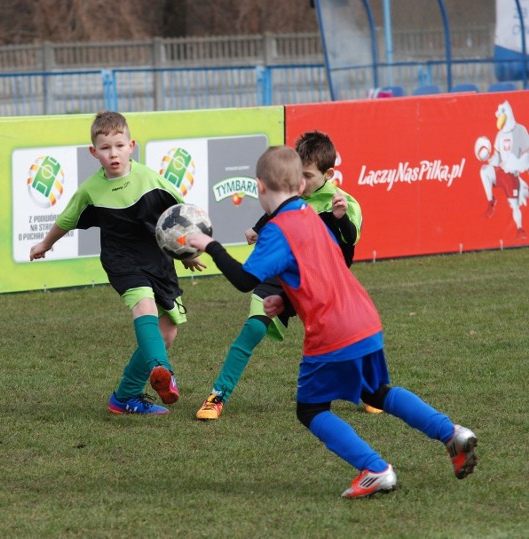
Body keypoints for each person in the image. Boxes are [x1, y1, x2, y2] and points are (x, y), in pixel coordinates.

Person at [188, 146, 478, 498]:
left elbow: (245, 280)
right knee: (377, 392)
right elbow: (325, 267)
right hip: (364, 318)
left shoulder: (278, 229)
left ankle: (375, 469)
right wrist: (288, 300)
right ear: (299, 183)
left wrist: (209, 244)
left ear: (260, 187)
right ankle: (452, 434)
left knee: (310, 409)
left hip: (333, 330)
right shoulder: (310, 214)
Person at [30, 111, 205, 415]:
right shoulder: (90, 190)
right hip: (121, 262)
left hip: (158, 261)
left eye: (119, 146)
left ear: (131, 145)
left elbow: (180, 215)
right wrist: (45, 244)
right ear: (93, 152)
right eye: (106, 148)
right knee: (144, 306)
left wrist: (187, 253)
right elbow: (66, 221)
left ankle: (125, 396)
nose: (113, 153)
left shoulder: (150, 178)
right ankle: (163, 370)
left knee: (167, 332)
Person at [196, 131, 373, 420]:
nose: (300, 185)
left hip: (316, 284)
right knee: (252, 329)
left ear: (328, 174)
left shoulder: (343, 203)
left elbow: (348, 245)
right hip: (278, 277)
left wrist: (341, 221)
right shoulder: (294, 196)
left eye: (306, 176)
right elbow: (278, 212)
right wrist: (257, 228)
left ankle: (367, 389)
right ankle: (218, 396)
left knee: (334, 339)